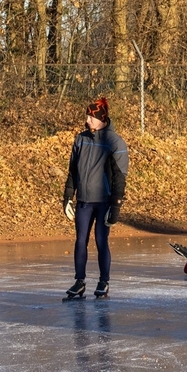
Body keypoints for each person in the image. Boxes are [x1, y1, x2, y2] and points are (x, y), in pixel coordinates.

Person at [62, 97, 128, 299]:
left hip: (103, 201)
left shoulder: (114, 142)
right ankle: (79, 281)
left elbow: (120, 176)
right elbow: (72, 170)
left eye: (91, 117)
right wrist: (67, 197)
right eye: (87, 116)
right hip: (84, 200)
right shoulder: (81, 139)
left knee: (101, 241)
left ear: (102, 118)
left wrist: (116, 205)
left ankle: (103, 281)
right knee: (80, 240)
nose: (87, 120)